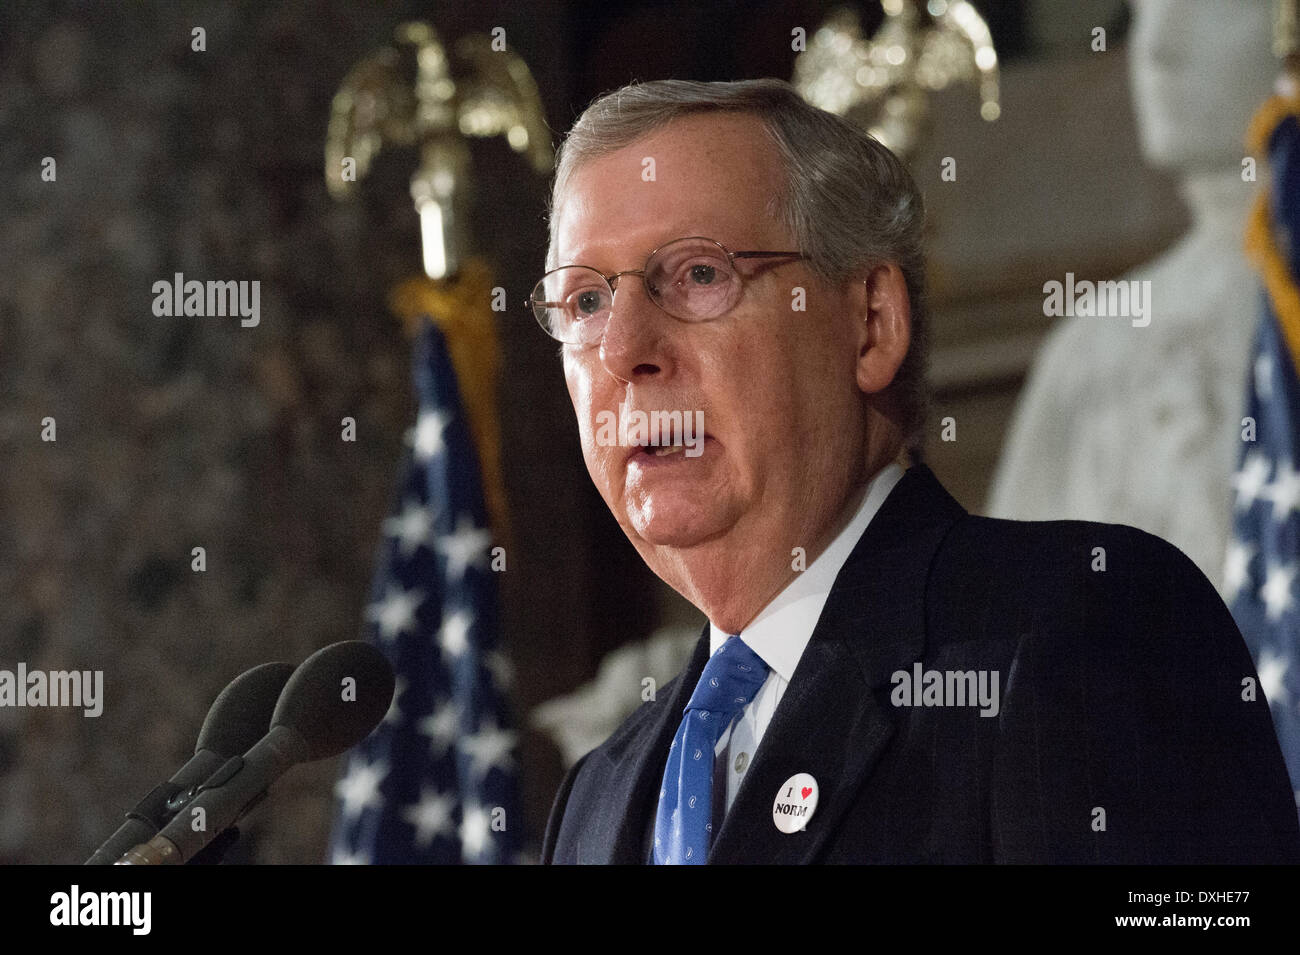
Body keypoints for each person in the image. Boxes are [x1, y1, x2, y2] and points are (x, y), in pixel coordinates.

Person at [533, 77, 1300, 864]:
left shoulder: (1084, 630)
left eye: (698, 274)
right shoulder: (597, 797)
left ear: (870, 323)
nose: (624, 348)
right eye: (586, 302)